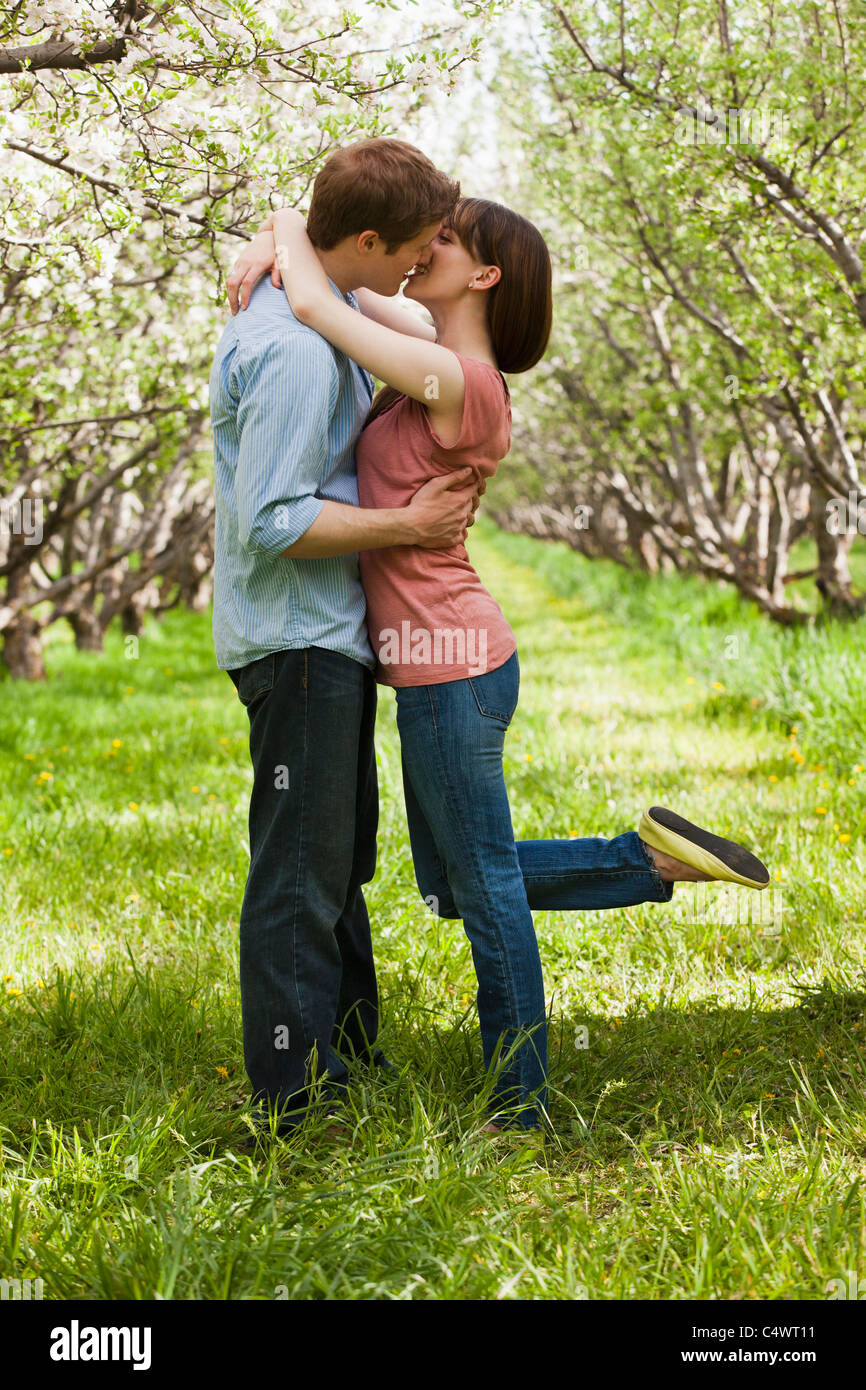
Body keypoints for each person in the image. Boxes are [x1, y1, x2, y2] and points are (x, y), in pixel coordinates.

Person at [227, 193, 771, 1136]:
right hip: (436, 662)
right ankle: (649, 860)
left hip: (452, 665)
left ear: (483, 274)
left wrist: (290, 242)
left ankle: (520, 1105)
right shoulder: (430, 345)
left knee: (480, 891)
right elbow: (343, 278)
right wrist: (278, 224)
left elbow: (320, 306)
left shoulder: (463, 382)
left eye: (445, 240)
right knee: (453, 883)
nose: (422, 248)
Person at [210, 138, 484, 1140]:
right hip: (297, 643)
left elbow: (396, 299)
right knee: (299, 870)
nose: (416, 265)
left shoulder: (326, 311)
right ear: (365, 239)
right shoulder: (289, 348)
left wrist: (278, 229)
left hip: (321, 637)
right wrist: (407, 530)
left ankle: (349, 1056)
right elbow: (274, 520)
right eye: (408, 249)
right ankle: (292, 1099)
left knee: (333, 859)